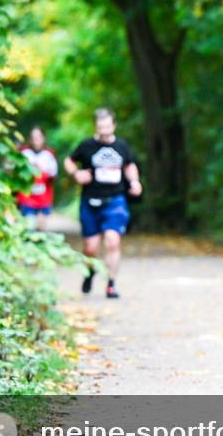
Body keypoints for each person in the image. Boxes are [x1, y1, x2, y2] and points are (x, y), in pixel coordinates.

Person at [64, 108, 142, 299]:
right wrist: (76, 174)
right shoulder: (87, 145)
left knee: (112, 241)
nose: (104, 131)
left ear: (113, 125)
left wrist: (134, 181)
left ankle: (111, 284)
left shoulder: (122, 146)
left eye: (107, 126)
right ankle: (90, 271)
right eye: (101, 127)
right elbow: (69, 161)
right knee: (90, 247)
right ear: (96, 127)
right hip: (90, 201)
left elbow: (129, 165)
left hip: (115, 200)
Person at [15, 126, 58, 231]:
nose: (36, 140)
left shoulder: (49, 154)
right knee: (29, 227)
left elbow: (54, 175)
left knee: (41, 227)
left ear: (43, 138)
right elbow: (16, 173)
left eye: (38, 137)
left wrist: (42, 172)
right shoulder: (23, 152)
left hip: (44, 197)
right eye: (33, 137)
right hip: (27, 197)